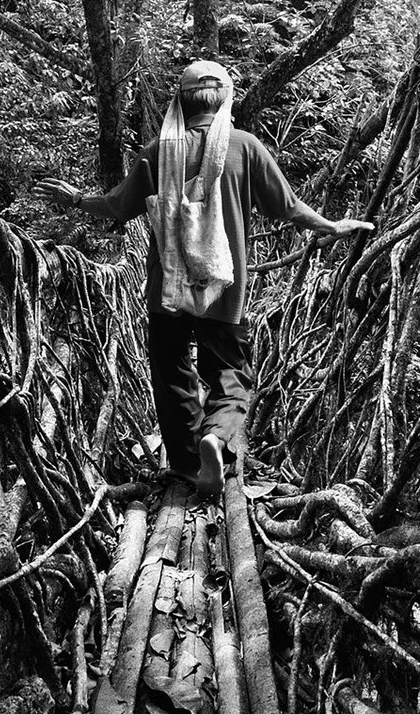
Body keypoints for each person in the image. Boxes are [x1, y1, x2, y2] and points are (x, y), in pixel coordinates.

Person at [37, 59, 373, 496]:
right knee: (230, 373)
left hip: (168, 290)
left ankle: (188, 465)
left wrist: (77, 198)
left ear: (180, 101)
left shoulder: (160, 151)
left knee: (172, 373)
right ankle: (217, 438)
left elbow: (118, 207)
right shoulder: (244, 146)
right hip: (225, 290)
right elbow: (287, 207)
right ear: (225, 99)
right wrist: (329, 226)